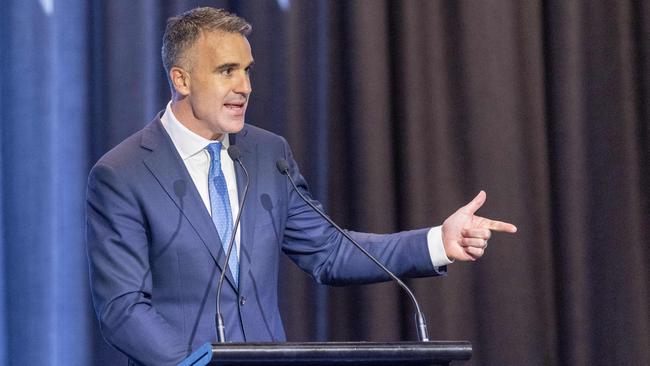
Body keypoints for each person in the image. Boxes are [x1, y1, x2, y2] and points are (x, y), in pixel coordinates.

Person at [85, 7, 517, 366]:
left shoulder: (266, 153)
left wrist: (436, 242)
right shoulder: (122, 174)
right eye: (226, 71)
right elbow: (122, 309)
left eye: (247, 71)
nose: (245, 87)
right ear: (181, 80)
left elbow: (329, 252)